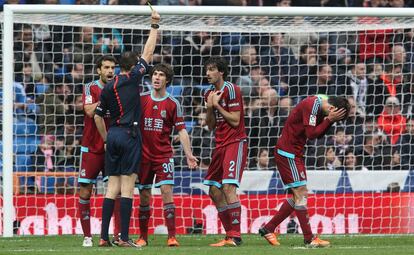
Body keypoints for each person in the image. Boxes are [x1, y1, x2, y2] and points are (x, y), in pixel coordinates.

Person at [94, 10, 160, 248]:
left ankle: (103, 237)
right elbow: (149, 52)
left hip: (112, 135)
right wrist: (154, 25)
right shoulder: (133, 78)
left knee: (111, 187)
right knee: (128, 187)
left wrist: (105, 138)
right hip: (130, 135)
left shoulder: (107, 88)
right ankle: (122, 237)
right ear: (132, 66)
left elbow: (98, 116)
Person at [259, 95, 350, 248]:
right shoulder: (312, 104)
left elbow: (318, 134)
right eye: (334, 116)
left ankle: (268, 228)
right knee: (300, 193)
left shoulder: (320, 109)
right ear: (332, 109)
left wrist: (329, 121)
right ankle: (309, 238)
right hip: (288, 153)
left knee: (297, 195)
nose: (332, 119)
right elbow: (311, 134)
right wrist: (329, 120)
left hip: (295, 153)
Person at [135, 63, 198, 247]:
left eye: (161, 75)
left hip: (163, 155)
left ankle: (171, 236)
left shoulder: (173, 103)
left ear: (167, 80)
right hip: (143, 156)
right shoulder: (141, 99)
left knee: (166, 192)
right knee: (144, 195)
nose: (156, 77)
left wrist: (189, 155)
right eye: (154, 74)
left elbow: (182, 131)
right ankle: (143, 237)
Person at [203, 57, 248, 247]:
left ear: (221, 72)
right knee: (213, 189)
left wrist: (218, 105)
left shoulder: (232, 89)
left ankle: (235, 236)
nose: (207, 73)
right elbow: (211, 125)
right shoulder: (209, 93)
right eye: (207, 70)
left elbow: (236, 121)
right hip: (219, 144)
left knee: (229, 187)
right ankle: (230, 234)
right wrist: (209, 108)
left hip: (235, 142)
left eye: (212, 70)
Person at [77, 55, 117, 247]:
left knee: (115, 192)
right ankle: (87, 236)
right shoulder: (90, 87)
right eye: (106, 67)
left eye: (113, 68)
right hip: (91, 148)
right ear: (98, 70)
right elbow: (89, 111)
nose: (110, 71)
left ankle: (116, 235)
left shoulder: (119, 87)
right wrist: (105, 100)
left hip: (113, 148)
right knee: (85, 191)